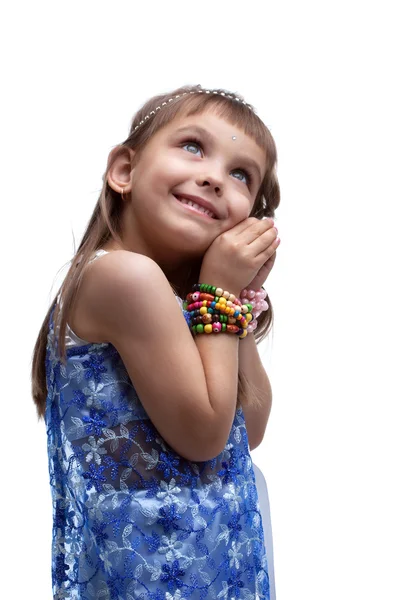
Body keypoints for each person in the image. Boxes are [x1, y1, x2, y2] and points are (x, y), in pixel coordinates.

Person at [31, 84, 281, 599]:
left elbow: (246, 428)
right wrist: (219, 291)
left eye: (241, 175)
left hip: (215, 567)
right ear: (124, 170)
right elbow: (204, 436)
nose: (214, 176)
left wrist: (235, 293)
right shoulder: (124, 278)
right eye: (193, 145)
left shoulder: (178, 299)